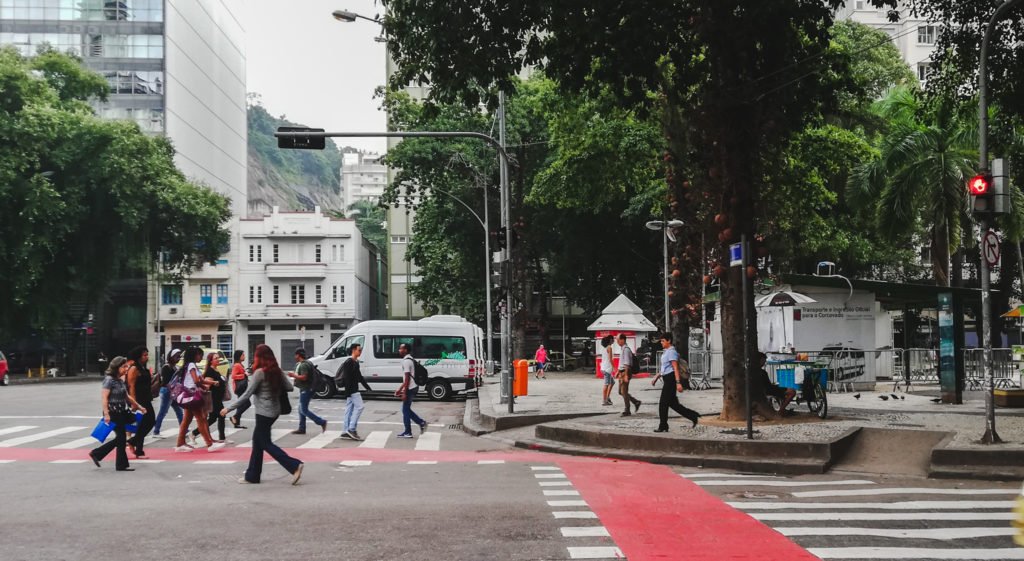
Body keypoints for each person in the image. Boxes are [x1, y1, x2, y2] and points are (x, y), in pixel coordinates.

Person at [221, 344, 304, 485]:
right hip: (275, 411)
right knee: (257, 443)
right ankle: (252, 475)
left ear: (259, 357)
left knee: (264, 443)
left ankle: (293, 465)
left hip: (263, 413)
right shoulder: (276, 371)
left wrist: (229, 409)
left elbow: (247, 394)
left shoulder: (259, 373)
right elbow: (289, 387)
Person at [89, 356, 147, 471]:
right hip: (113, 412)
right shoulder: (109, 380)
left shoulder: (120, 380)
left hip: (122, 411)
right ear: (116, 367)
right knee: (121, 438)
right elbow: (104, 398)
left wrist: (139, 407)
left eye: (126, 366)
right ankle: (114, 462)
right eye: (123, 366)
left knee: (121, 438)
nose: (126, 369)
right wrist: (106, 414)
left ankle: (98, 454)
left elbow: (126, 396)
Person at [174, 346, 224, 453]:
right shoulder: (191, 365)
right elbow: (197, 380)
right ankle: (209, 444)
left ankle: (180, 443)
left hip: (188, 396)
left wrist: (211, 383)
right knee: (201, 418)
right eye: (200, 355)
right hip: (192, 395)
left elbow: (201, 380)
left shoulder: (190, 365)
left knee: (186, 420)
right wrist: (205, 385)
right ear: (194, 355)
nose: (201, 357)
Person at [652, 332, 700, 432]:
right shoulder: (666, 351)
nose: (661, 343)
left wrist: (678, 383)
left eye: (663, 341)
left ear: (669, 340)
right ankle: (693, 416)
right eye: (661, 341)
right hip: (667, 378)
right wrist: (657, 376)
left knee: (663, 404)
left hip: (670, 380)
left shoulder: (671, 352)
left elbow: (675, 368)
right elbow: (665, 367)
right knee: (674, 404)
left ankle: (663, 425)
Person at [192, 352, 231, 444]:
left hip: (217, 398)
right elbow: (207, 386)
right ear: (211, 361)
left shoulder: (216, 370)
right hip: (213, 398)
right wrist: (214, 383)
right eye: (216, 358)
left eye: (218, 358)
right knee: (221, 415)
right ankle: (222, 438)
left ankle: (194, 433)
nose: (218, 360)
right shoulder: (210, 371)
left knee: (213, 418)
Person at [287, 348, 327, 435]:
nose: (295, 357)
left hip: (307, 389)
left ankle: (321, 422)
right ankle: (302, 428)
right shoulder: (305, 363)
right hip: (306, 388)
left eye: (295, 355)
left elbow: (304, 377)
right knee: (300, 408)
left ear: (298, 355)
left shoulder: (304, 365)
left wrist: (293, 375)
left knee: (303, 410)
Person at [125, 346, 155, 458]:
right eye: (144, 355)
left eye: (147, 355)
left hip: (146, 397)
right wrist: (134, 402)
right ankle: (134, 443)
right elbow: (131, 386)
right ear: (138, 356)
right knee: (150, 421)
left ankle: (138, 448)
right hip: (139, 399)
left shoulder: (143, 368)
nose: (147, 357)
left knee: (144, 424)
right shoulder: (134, 369)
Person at [338, 343, 371, 441]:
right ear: (353, 350)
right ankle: (351, 429)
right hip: (352, 390)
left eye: (360, 350)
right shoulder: (349, 362)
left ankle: (345, 431)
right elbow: (347, 378)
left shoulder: (355, 362)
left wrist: (367, 387)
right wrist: (348, 392)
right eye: (359, 350)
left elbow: (359, 377)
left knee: (349, 410)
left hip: (352, 390)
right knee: (360, 407)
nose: (360, 351)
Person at [396, 343, 427, 438]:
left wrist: (404, 392)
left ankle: (409, 431)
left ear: (405, 350)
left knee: (405, 410)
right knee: (406, 409)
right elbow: (407, 379)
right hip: (413, 387)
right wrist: (399, 389)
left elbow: (407, 379)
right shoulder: (410, 359)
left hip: (410, 388)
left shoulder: (406, 362)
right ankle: (420, 423)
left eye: (401, 348)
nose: (399, 350)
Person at [153, 348, 183, 438]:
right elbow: (165, 382)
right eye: (177, 357)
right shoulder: (166, 367)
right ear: (171, 357)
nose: (178, 359)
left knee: (179, 411)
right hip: (167, 392)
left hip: (172, 392)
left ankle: (183, 429)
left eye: (179, 357)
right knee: (163, 411)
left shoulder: (174, 367)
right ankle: (156, 431)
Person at [615, 334, 641, 416]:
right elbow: (622, 363)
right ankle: (636, 402)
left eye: (618, 339)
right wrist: (618, 371)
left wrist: (626, 375)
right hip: (622, 372)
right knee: (621, 392)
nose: (617, 341)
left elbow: (627, 364)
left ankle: (627, 410)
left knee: (624, 391)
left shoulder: (626, 350)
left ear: (623, 340)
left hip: (625, 372)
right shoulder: (623, 349)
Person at [228, 350, 250, 429]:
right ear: (239, 356)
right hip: (240, 388)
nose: (244, 356)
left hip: (241, 387)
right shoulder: (237, 365)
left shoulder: (240, 365)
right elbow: (233, 376)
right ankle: (234, 417)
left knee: (240, 405)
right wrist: (244, 375)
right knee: (247, 404)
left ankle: (236, 423)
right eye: (243, 355)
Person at [600, 335, 616, 406]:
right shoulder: (609, 347)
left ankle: (607, 397)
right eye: (613, 339)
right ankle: (604, 401)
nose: (614, 340)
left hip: (604, 368)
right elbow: (610, 359)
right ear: (610, 340)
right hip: (607, 369)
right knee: (606, 384)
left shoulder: (605, 347)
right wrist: (614, 367)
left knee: (612, 382)